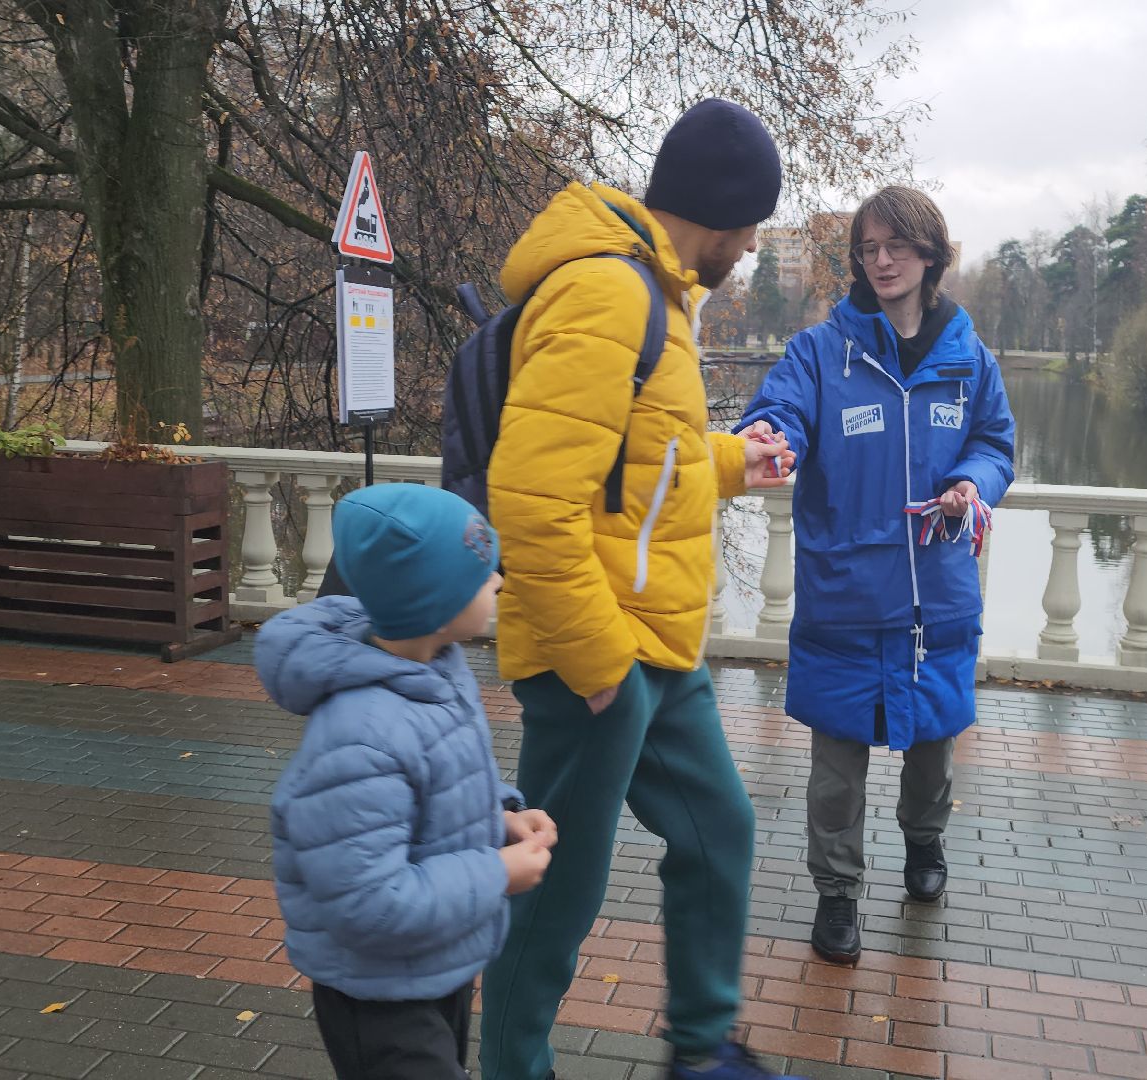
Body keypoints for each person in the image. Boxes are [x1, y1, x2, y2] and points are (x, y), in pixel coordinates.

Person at [478, 99, 798, 1080]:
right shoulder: (606, 294)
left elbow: (638, 461)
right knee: (555, 898)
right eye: (751, 226)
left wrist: (734, 462)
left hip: (655, 642)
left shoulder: (656, 296)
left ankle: (702, 1055)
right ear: (722, 212)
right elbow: (531, 501)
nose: (749, 248)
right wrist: (597, 659)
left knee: (720, 833)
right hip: (599, 653)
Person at [737, 186, 1016, 964]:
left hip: (939, 604)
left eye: (897, 245)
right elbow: (780, 411)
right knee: (836, 776)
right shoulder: (822, 353)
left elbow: (995, 443)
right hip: (846, 600)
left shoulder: (970, 361)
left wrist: (973, 484)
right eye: (869, 248)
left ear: (931, 253)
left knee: (932, 755)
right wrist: (766, 436)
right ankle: (836, 895)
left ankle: (925, 845)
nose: (882, 260)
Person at [255, 482, 559, 1080]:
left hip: (431, 963)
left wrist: (497, 817)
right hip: (377, 994)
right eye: (481, 573)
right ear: (432, 601)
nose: (498, 579)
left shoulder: (433, 667)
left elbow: (436, 784)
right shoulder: (360, 738)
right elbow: (367, 901)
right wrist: (496, 872)